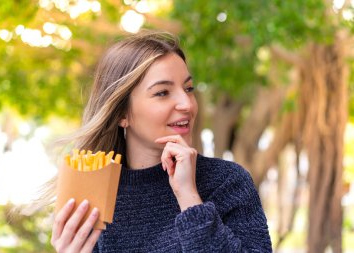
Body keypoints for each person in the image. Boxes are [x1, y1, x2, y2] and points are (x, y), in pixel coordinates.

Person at [50, 31, 272, 252]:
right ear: (121, 114)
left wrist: (189, 197)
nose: (186, 103)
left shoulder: (228, 182)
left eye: (188, 89)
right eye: (163, 93)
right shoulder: (94, 194)